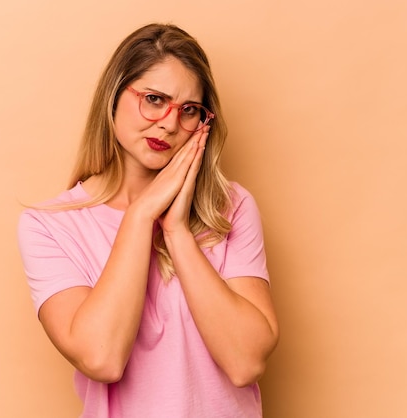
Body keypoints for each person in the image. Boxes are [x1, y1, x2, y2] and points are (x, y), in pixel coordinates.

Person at [18, 23, 279, 418]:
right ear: (113, 96)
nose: (170, 124)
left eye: (189, 110)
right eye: (154, 99)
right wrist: (141, 216)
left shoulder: (231, 209)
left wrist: (176, 230)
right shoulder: (50, 226)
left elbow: (246, 363)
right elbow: (101, 358)